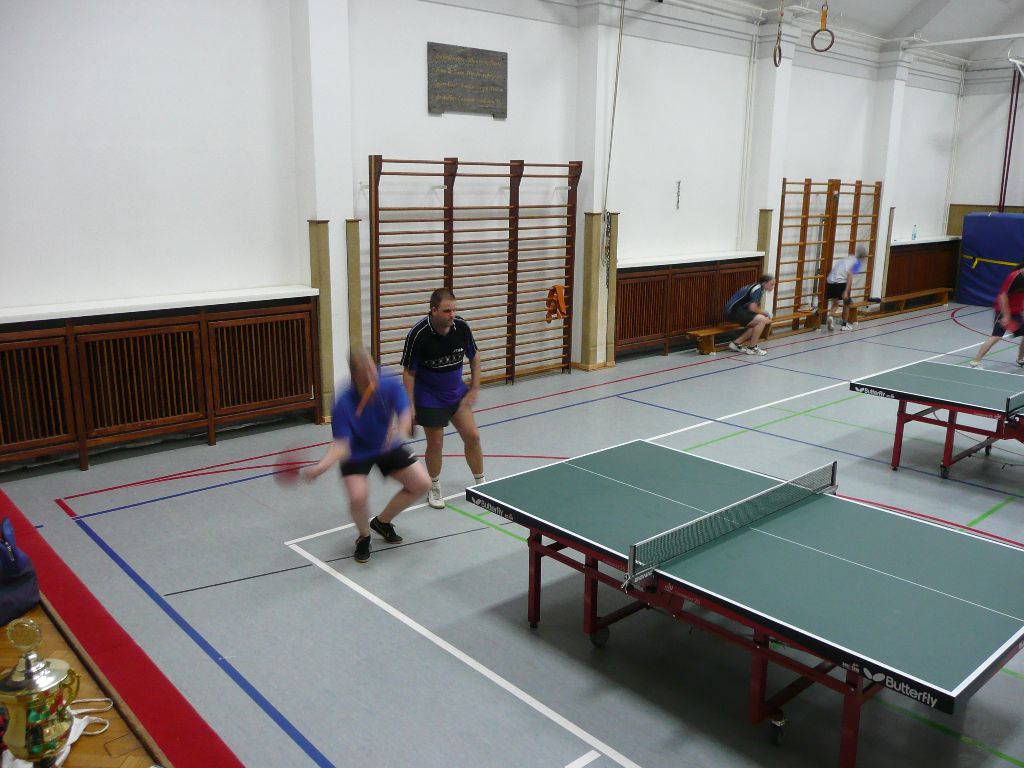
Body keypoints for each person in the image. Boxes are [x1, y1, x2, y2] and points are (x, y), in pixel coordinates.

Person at [301, 348, 431, 563]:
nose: (372, 377)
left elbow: (405, 413)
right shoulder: (343, 403)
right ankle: (364, 536)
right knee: (358, 497)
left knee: (422, 483)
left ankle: (382, 522)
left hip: (386, 444)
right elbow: (341, 446)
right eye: (365, 374)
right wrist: (320, 467)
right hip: (356, 452)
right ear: (355, 376)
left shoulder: (388, 384)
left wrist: (399, 431)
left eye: (373, 370)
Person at [401, 288, 484, 508]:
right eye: (447, 311)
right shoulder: (418, 334)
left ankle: (481, 484)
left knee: (473, 436)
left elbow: (475, 356)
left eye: (454, 310)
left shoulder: (461, 327)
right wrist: (410, 406)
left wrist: (474, 387)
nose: (452, 315)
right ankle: (434, 486)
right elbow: (408, 373)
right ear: (434, 310)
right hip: (429, 397)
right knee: (436, 443)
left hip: (456, 393)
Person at [969, 261, 1024, 369]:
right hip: (1003, 310)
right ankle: (975, 362)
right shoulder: (1014, 277)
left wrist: (1022, 312)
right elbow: (1002, 296)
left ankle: (1020, 359)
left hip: (1016, 311)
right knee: (996, 336)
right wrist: (1006, 316)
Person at [725, 274, 776, 356]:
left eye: (774, 285)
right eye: (771, 284)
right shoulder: (757, 289)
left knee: (757, 324)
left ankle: (735, 344)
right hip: (733, 311)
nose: (773, 287)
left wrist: (762, 314)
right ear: (764, 283)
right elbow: (752, 308)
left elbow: (753, 307)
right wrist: (765, 313)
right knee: (762, 320)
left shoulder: (758, 287)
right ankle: (752, 348)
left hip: (736, 311)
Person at [824, 245, 868, 331]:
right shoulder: (857, 263)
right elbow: (850, 276)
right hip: (841, 282)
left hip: (830, 281)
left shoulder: (848, 258)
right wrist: (846, 291)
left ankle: (831, 317)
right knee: (846, 303)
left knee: (835, 304)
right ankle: (844, 324)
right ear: (863, 257)